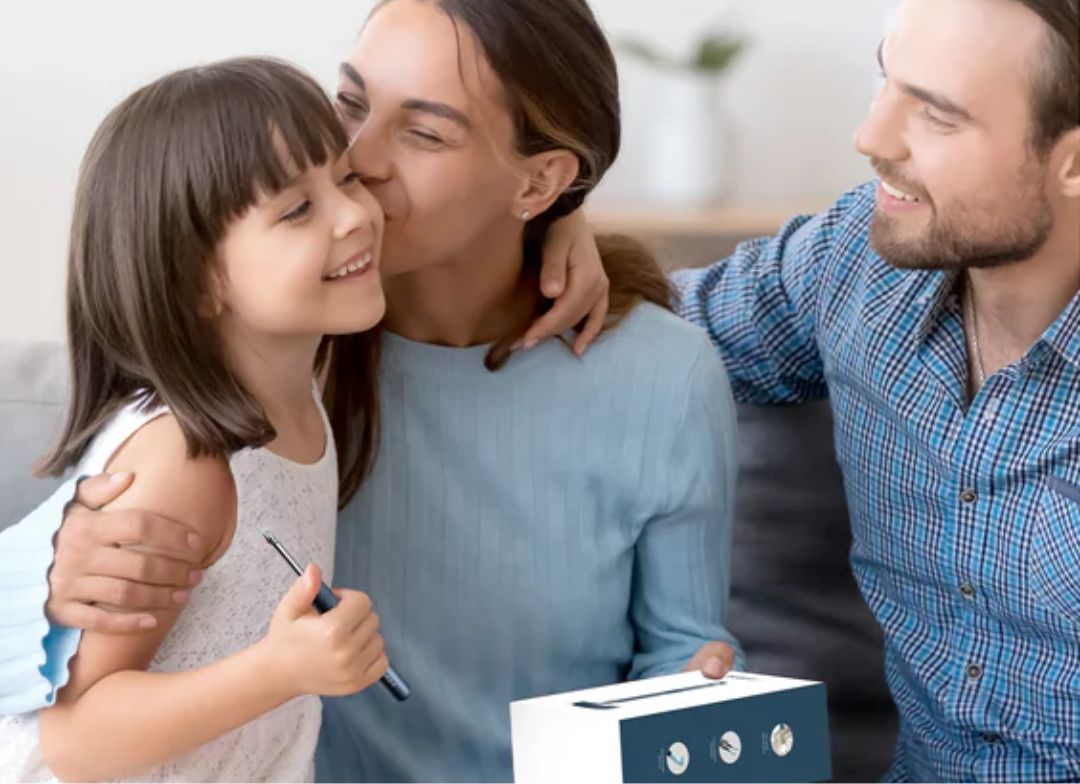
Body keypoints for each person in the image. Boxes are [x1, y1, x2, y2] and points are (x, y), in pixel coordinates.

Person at [0, 0, 742, 781]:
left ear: (542, 181)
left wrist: (697, 710)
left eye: (422, 132)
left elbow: (685, 659)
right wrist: (41, 563)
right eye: (350, 104)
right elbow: (63, 701)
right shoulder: (285, 344)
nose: (358, 158)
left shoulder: (664, 376)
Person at [573, 0, 1080, 778]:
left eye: (938, 117)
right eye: (888, 82)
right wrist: (563, 236)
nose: (872, 138)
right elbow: (641, 337)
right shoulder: (855, 265)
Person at [0, 57, 391, 781]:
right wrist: (278, 670)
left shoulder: (302, 393)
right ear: (198, 281)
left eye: (346, 177)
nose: (355, 214)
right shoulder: (185, 462)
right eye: (298, 210)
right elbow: (76, 740)